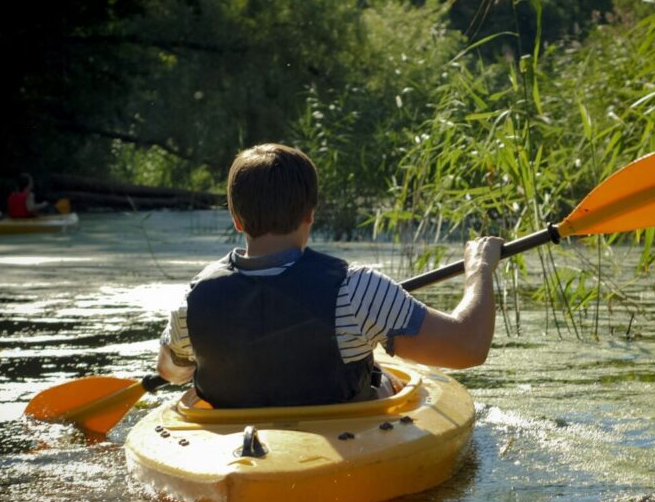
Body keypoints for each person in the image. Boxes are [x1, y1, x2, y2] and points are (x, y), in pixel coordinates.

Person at [157, 143, 503, 408]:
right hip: (341, 449)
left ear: (236, 219)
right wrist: (479, 269)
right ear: (311, 214)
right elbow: (467, 347)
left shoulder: (194, 300)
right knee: (381, 380)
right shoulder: (357, 290)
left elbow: (170, 371)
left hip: (232, 452)